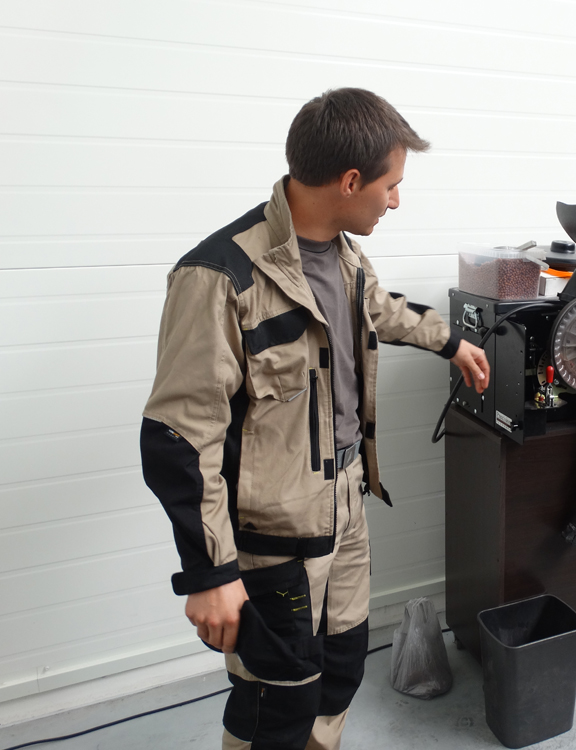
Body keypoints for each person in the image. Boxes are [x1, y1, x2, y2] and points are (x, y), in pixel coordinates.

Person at [140, 88, 489, 750]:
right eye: (391, 185)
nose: (395, 201)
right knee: (278, 700)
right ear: (350, 181)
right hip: (274, 540)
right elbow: (178, 438)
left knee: (342, 668)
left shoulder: (344, 254)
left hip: (346, 510)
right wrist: (210, 573)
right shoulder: (219, 276)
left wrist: (452, 342)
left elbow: (379, 308)